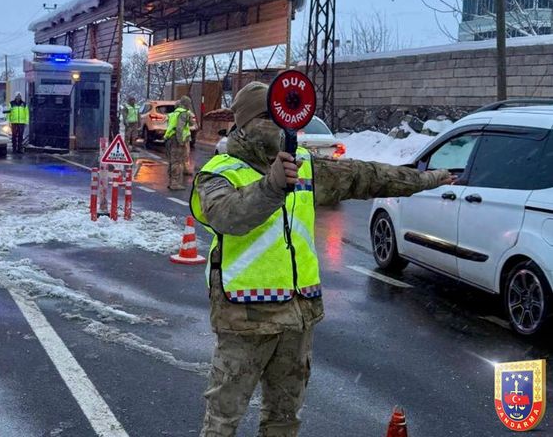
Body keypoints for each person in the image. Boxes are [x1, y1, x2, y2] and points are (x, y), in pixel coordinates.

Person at [191, 81, 452, 437]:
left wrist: (426, 179)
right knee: (223, 423)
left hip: (298, 317)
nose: (281, 128)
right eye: (269, 117)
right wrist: (271, 186)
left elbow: (367, 176)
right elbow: (228, 216)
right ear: (246, 123)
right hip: (245, 320)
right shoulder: (219, 172)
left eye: (282, 118)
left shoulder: (305, 169)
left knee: (284, 420)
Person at [164, 95, 193, 190]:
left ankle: (171, 181)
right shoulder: (183, 113)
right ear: (186, 104)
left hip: (170, 139)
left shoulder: (174, 113)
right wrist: (181, 141)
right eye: (189, 103)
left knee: (172, 161)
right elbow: (180, 128)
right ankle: (174, 183)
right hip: (177, 140)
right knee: (177, 162)